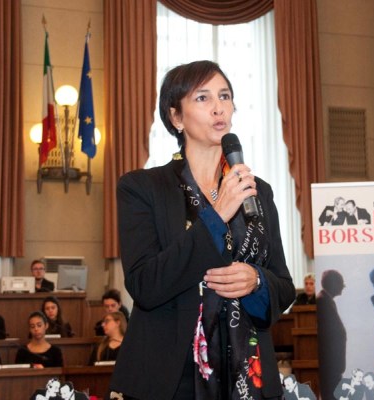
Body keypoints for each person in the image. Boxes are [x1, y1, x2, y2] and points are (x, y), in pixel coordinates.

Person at [110, 60, 296, 400]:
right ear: (176, 117)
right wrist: (216, 215)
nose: (218, 107)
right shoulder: (142, 188)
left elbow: (284, 287)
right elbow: (145, 285)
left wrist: (256, 281)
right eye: (202, 98)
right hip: (171, 377)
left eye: (224, 96)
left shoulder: (257, 190)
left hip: (248, 375)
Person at [316, 270, 347, 400]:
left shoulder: (326, 300)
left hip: (332, 365)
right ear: (333, 284)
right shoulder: (322, 301)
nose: (343, 286)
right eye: (341, 283)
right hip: (329, 365)